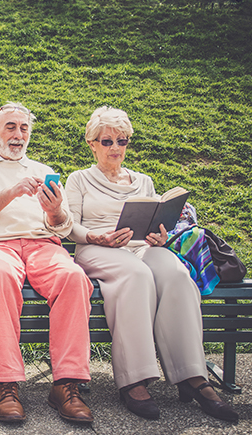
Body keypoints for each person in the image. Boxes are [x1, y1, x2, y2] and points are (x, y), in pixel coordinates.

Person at [64, 106, 238, 422]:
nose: (115, 148)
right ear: (92, 143)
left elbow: (158, 221)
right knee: (137, 275)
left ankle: (192, 375)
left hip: (140, 246)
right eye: (107, 142)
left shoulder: (143, 180)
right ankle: (135, 378)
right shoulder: (79, 179)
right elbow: (69, 227)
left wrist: (160, 235)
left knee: (177, 275)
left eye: (122, 140)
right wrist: (98, 236)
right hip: (96, 247)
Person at [0, 102, 94, 424]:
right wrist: (12, 191)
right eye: (10, 127)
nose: (18, 135)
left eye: (23, 128)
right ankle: (6, 384)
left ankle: (66, 384)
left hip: (41, 243)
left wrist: (56, 210)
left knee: (73, 277)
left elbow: (62, 227)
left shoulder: (42, 169)